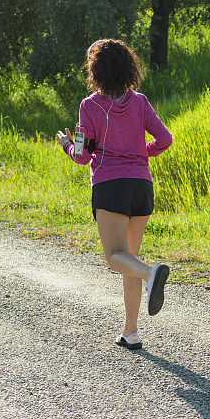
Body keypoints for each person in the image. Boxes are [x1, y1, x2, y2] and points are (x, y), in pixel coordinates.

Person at [56, 39, 171, 351]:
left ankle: (152, 273)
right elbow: (164, 139)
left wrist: (65, 143)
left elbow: (80, 156)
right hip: (142, 186)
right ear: (128, 67)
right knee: (128, 259)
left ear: (96, 71)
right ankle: (130, 332)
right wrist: (139, 154)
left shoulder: (88, 106)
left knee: (114, 258)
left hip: (111, 185)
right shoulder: (141, 101)